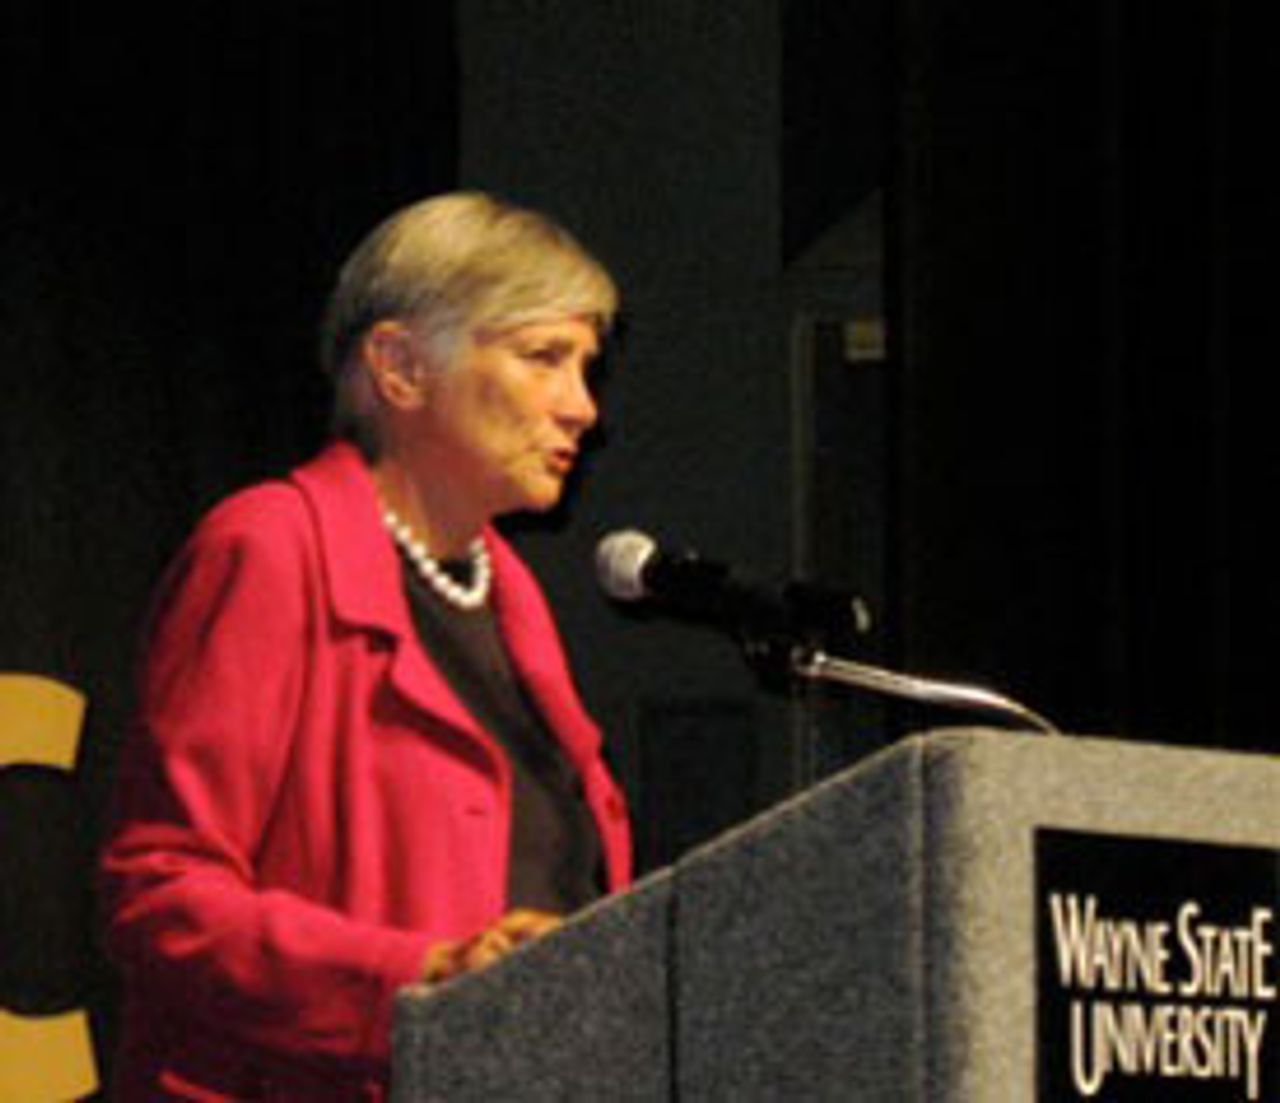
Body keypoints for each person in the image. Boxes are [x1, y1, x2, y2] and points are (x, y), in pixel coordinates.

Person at [99, 192, 634, 1101]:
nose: (581, 407)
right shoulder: (272, 549)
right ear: (400, 367)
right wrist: (421, 976)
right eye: (544, 357)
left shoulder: (510, 593)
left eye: (585, 367)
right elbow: (161, 894)